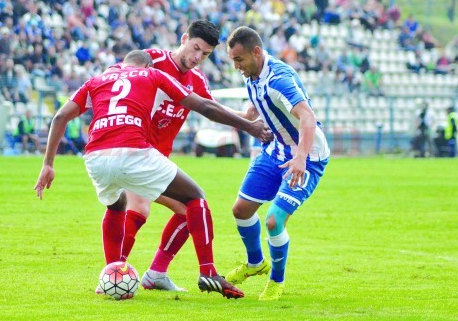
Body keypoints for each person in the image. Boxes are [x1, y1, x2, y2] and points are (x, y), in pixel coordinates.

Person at [34, 50, 272, 299]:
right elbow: (203, 106)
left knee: (117, 207)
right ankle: (208, 271)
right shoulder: (152, 74)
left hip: (96, 157)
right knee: (194, 197)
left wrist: (48, 164)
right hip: (135, 152)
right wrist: (249, 126)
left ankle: (113, 273)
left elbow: (60, 116)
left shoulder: (97, 80)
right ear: (147, 65)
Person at [119, 20, 254, 292]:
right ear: (183, 38)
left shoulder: (196, 81)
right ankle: (116, 272)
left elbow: (211, 108)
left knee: (186, 211)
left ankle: (151, 273)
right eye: (195, 48)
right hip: (131, 151)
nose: (197, 58)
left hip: (157, 161)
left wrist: (245, 117)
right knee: (148, 208)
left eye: (204, 54)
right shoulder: (152, 61)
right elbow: (118, 82)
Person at [222, 26, 330, 301]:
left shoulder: (279, 79)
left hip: (308, 156)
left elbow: (307, 117)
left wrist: (301, 158)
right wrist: (207, 105)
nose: (236, 67)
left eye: (239, 60)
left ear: (256, 52)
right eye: (233, 60)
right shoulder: (253, 76)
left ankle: (276, 281)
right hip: (275, 151)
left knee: (273, 221)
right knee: (241, 210)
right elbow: (249, 114)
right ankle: (256, 263)